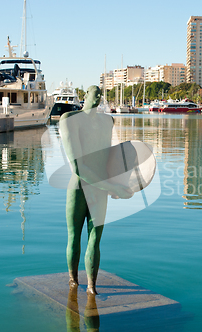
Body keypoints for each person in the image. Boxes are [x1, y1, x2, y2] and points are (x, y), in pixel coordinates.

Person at [59, 85, 133, 294]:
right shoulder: (69, 119)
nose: (99, 96)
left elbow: (111, 158)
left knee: (95, 238)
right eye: (95, 92)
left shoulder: (107, 120)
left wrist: (120, 183)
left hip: (100, 187)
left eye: (101, 93)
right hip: (79, 186)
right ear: (85, 96)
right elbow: (78, 166)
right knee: (74, 236)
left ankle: (92, 286)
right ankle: (73, 281)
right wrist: (110, 186)